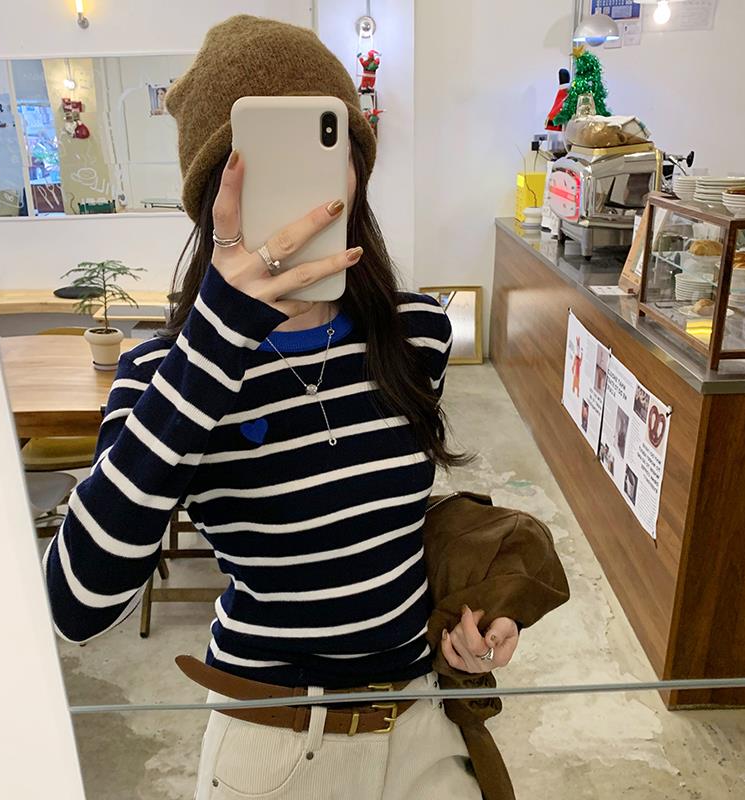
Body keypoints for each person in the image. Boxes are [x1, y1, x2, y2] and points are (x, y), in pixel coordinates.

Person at [41, 15, 521, 799]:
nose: (299, 198)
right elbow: (77, 604)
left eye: (324, 157)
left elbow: (385, 528)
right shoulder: (163, 371)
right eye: (257, 171)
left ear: (356, 170)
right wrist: (216, 339)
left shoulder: (416, 334)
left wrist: (470, 618)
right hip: (272, 739)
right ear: (211, 199)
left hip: (421, 723)